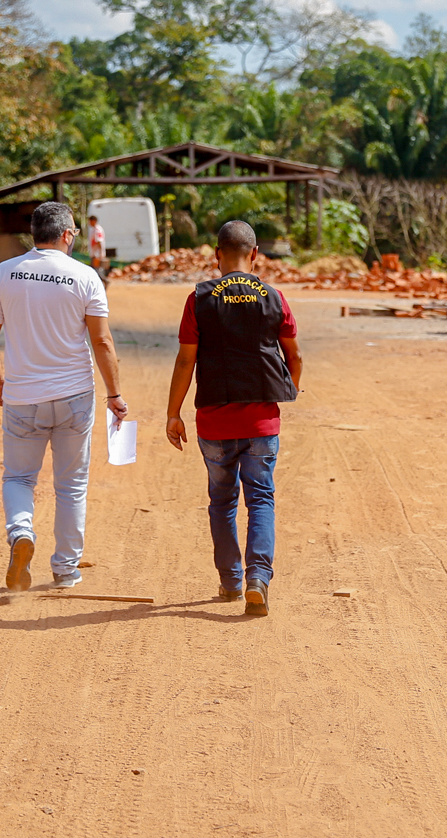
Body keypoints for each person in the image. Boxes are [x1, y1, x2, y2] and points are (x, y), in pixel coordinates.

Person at [0, 201, 128, 592]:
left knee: (19, 477)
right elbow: (101, 340)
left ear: (34, 234)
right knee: (72, 485)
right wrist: (114, 393)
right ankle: (65, 570)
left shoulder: (4, 273)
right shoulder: (85, 276)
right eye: (75, 231)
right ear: (66, 235)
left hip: (22, 395)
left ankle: (21, 533)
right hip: (74, 396)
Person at [164, 220, 302, 616]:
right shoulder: (274, 298)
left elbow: (186, 358)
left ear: (216, 256)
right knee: (260, 498)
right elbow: (295, 355)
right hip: (262, 421)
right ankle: (258, 577)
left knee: (222, 501)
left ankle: (231, 580)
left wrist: (174, 413)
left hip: (214, 423)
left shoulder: (199, 299)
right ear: (255, 254)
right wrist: (286, 390)